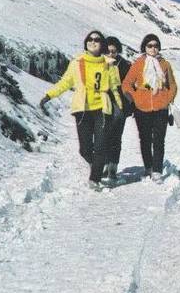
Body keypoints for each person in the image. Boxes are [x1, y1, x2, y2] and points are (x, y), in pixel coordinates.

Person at [39, 30, 124, 190]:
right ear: (86, 42)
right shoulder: (77, 62)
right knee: (84, 150)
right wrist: (49, 95)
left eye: (97, 39)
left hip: (102, 109)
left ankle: (95, 178)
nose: (93, 41)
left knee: (100, 146)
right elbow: (65, 82)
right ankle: (97, 164)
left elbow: (114, 88)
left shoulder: (109, 64)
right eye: (90, 39)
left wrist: (119, 107)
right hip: (82, 109)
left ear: (102, 44)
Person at [122, 34, 178, 181]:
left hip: (161, 108)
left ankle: (157, 170)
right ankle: (148, 166)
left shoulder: (165, 64)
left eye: (156, 45)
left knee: (159, 140)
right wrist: (134, 99)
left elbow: (172, 85)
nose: (153, 48)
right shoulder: (138, 64)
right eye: (150, 45)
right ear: (144, 47)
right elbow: (126, 84)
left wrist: (168, 99)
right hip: (141, 108)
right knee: (145, 139)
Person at [102, 36, 134, 183]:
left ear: (118, 51)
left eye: (113, 51)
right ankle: (104, 165)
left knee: (115, 136)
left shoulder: (125, 66)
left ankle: (112, 168)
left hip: (119, 106)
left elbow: (133, 87)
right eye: (108, 52)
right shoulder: (99, 64)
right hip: (102, 104)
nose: (111, 54)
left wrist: (130, 104)